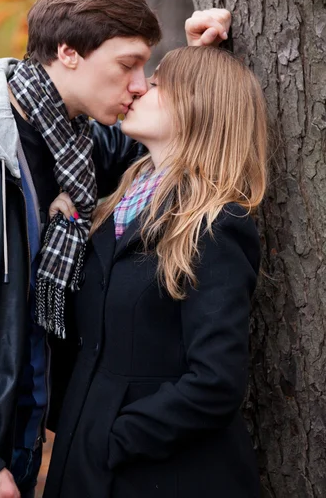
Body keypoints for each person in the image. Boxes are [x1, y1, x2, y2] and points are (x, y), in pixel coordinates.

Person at [0, 0, 230, 498]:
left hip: (17, 433)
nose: (139, 84)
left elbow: (164, 147)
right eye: (127, 65)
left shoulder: (74, 143)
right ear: (69, 53)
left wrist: (201, 58)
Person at [44, 45, 268, 498]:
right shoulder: (115, 208)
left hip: (161, 473)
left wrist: (117, 437)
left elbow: (215, 383)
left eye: (158, 84)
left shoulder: (216, 225)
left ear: (196, 107)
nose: (141, 87)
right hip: (86, 460)